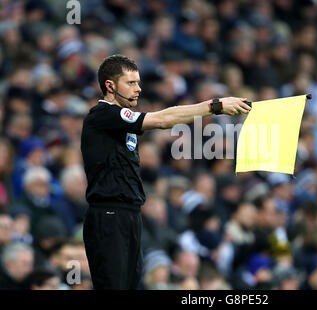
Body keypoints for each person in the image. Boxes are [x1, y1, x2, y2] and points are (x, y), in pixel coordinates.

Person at [81, 54, 251, 290]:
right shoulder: (103, 114)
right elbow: (162, 120)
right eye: (130, 83)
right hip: (109, 214)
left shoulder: (119, 123)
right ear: (110, 86)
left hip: (129, 213)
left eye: (138, 82)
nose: (138, 89)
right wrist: (215, 106)